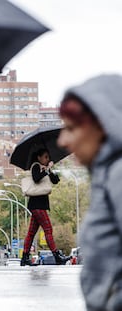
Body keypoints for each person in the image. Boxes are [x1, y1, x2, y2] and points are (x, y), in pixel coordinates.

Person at [57, 74, 122, 311]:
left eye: (71, 128)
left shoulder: (119, 173)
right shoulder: (106, 174)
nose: (63, 140)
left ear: (104, 125)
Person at [20, 148, 71, 266]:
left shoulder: (45, 169)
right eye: (46, 157)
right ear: (39, 157)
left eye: (48, 157)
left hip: (39, 205)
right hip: (37, 205)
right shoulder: (36, 167)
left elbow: (55, 181)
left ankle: (25, 257)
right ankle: (57, 256)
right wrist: (46, 169)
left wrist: (50, 170)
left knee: (31, 233)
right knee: (48, 229)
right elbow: (36, 178)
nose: (47, 159)